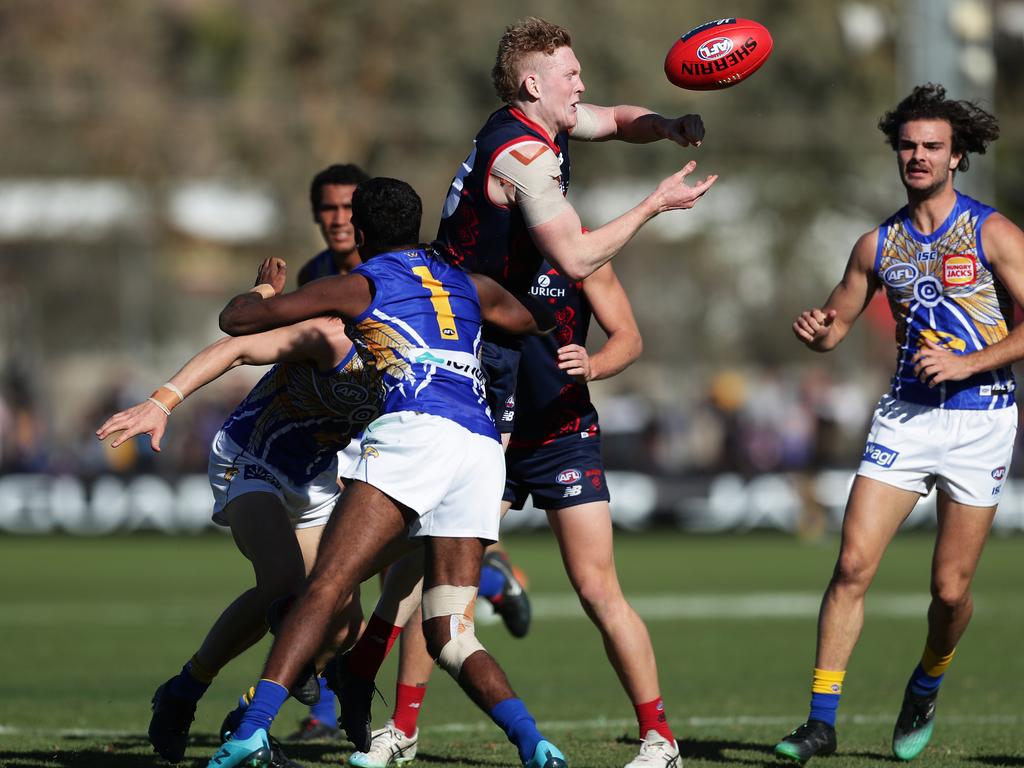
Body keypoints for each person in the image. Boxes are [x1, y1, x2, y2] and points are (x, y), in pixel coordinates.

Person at [207, 177, 568, 768]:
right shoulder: (466, 283)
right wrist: (556, 262)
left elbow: (239, 321)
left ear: (365, 233)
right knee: (450, 631)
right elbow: (536, 319)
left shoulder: (361, 282)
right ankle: (536, 744)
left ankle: (250, 731)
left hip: (417, 432)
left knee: (325, 585)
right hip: (479, 449)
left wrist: (264, 288)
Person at [774, 83, 1024, 764]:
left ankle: (928, 678)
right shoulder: (876, 244)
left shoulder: (992, 232)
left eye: (932, 147)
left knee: (950, 593)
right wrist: (817, 331)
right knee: (852, 563)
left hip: (981, 422)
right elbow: (835, 326)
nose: (917, 156)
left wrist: (972, 360)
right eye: (907, 146)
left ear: (957, 157)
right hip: (905, 419)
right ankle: (820, 722)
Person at [347, 259, 681, 768]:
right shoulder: (473, 252)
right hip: (481, 437)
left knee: (597, 589)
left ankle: (659, 739)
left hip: (563, 440)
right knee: (426, 583)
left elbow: (629, 338)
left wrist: (595, 365)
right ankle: (403, 730)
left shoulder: (580, 255)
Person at [96, 313, 379, 766]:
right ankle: (183, 692)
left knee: (345, 628)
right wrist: (161, 402)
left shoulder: (413, 362)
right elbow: (236, 347)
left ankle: (249, 719)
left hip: (318, 480)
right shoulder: (333, 333)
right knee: (284, 583)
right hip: (250, 457)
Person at [436, 16, 715, 447]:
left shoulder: (541, 121)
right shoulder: (524, 155)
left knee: (479, 477)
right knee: (467, 476)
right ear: (533, 86)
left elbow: (617, 120)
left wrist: (666, 126)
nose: (581, 86)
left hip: (488, 321)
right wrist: (654, 205)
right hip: (467, 329)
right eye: (571, 75)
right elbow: (575, 258)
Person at [297, 163, 370, 286]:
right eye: (329, 208)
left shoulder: (395, 272)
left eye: (349, 208)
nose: (339, 220)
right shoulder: (311, 275)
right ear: (316, 214)